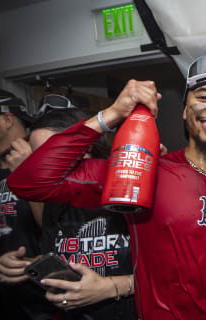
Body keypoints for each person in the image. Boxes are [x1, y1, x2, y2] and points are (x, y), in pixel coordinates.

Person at [8, 53, 206, 320]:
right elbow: (29, 183)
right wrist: (111, 115)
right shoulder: (143, 174)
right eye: (203, 97)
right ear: (185, 110)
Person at [25, 107, 137, 319]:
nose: (42, 165)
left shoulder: (127, 192)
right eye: (36, 157)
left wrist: (110, 287)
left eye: (50, 154)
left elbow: (169, 276)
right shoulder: (54, 203)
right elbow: (62, 257)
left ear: (84, 148)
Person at [0, 87, 53, 319]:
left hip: (47, 303)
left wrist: (27, 173)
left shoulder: (46, 163)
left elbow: (57, 230)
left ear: (7, 119)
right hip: (7, 304)